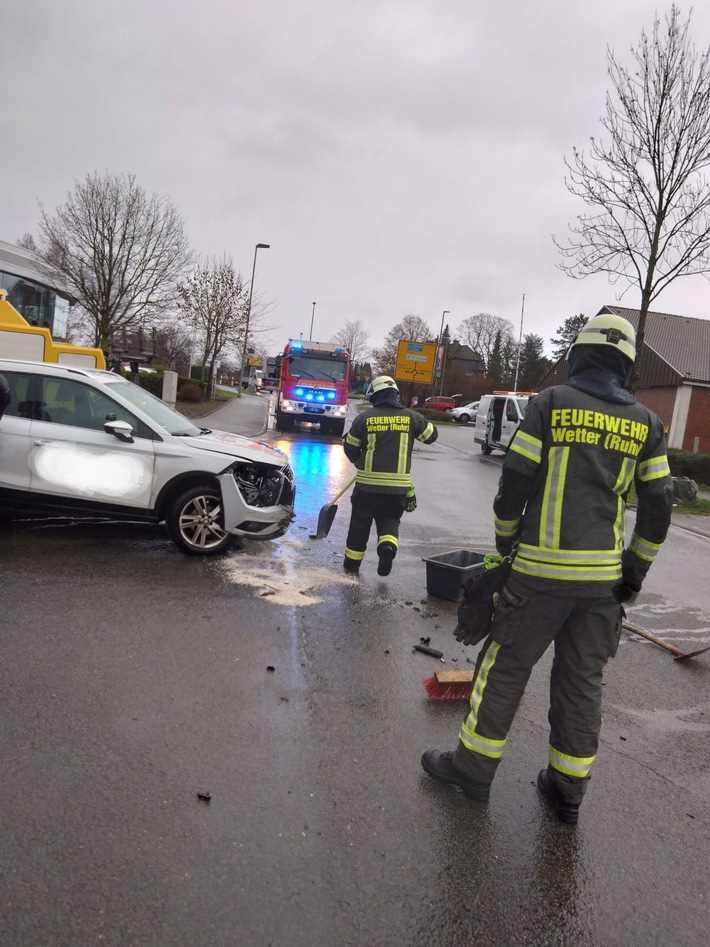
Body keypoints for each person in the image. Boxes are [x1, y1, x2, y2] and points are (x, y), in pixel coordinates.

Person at [422, 314, 673, 824]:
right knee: (583, 683)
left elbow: (514, 481)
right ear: (626, 365)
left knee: (504, 670)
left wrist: (506, 543)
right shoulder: (647, 425)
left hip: (538, 575)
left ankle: (472, 771)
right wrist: (633, 573)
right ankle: (566, 790)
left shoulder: (550, 404)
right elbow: (659, 508)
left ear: (577, 356)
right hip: (602, 583)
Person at [342, 375, 438, 576]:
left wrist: (359, 461)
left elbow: (350, 447)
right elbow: (431, 436)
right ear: (396, 394)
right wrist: (418, 419)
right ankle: (387, 548)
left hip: (367, 487)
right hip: (396, 490)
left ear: (374, 395)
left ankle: (352, 565)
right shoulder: (411, 417)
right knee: (389, 521)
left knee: (360, 524)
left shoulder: (364, 418)